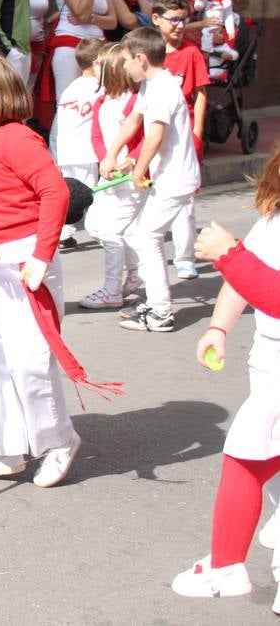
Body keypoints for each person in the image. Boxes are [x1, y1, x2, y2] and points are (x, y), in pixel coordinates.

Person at [0, 54, 109, 488]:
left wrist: (40, 256)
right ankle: (2, 447)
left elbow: (54, 193)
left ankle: (59, 440)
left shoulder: (19, 139)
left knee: (29, 362)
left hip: (22, 264)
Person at [169, 147, 280, 611]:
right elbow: (245, 278)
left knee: (245, 453)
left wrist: (229, 254)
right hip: (270, 362)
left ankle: (226, 568)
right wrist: (217, 327)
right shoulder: (274, 215)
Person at [99, 21, 202, 333]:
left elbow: (155, 135)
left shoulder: (164, 89)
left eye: (128, 60)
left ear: (141, 58)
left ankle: (160, 311)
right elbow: (134, 121)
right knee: (141, 235)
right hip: (169, 175)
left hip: (175, 178)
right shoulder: (152, 86)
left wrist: (138, 168)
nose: (126, 67)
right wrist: (116, 154)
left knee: (146, 237)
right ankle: (156, 304)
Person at [80, 43, 144, 310]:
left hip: (129, 179)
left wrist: (131, 160)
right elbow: (96, 135)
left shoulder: (135, 101)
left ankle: (111, 289)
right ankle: (137, 270)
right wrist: (105, 158)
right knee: (95, 224)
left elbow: (147, 137)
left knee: (109, 231)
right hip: (109, 175)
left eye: (102, 64)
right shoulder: (102, 101)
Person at [160, 0, 210, 280]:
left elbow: (201, 93)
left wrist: (197, 131)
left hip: (184, 133)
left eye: (183, 20)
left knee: (185, 201)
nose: (179, 26)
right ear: (157, 19)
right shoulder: (151, 51)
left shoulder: (191, 53)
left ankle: (185, 256)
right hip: (156, 134)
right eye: (173, 20)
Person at [50, 37, 103, 247]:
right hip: (85, 151)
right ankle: (100, 230)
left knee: (70, 196)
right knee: (89, 194)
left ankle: (63, 233)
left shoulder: (71, 88)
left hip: (65, 151)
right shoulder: (98, 89)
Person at [25, 0, 60, 126]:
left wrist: (48, 20)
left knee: (27, 94)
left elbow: (67, 4)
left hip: (35, 48)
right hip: (9, 46)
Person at [201, 0, 240, 79]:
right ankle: (206, 60)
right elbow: (198, 6)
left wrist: (230, 29)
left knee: (228, 50)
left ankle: (214, 67)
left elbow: (228, 16)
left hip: (218, 26)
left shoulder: (226, 2)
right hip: (206, 25)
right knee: (206, 36)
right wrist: (198, 4)